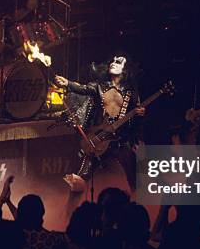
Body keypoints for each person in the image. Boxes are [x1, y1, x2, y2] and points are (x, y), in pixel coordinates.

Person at [54, 55, 145, 195]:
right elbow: (83, 89)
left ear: (125, 70)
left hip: (120, 141)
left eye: (118, 62)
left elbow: (135, 117)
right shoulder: (98, 87)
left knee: (134, 180)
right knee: (80, 178)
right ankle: (70, 210)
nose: (113, 63)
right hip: (99, 139)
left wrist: (140, 114)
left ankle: (135, 209)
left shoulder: (131, 92)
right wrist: (67, 83)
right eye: (112, 61)